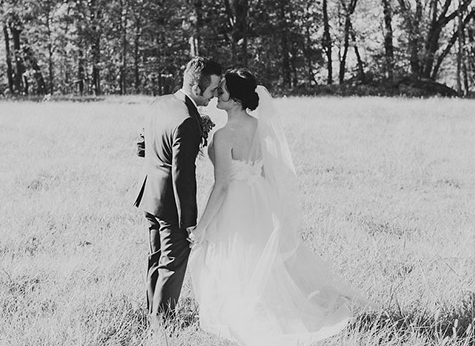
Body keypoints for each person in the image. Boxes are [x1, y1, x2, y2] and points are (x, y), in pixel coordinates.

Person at [189, 68, 369, 346]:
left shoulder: (224, 135)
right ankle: (265, 304)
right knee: (258, 256)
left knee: (235, 254)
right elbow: (265, 171)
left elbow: (222, 184)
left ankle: (245, 312)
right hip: (258, 198)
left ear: (235, 100)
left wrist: (202, 227)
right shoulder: (260, 127)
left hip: (235, 201)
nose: (215, 97)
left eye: (221, 91)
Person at [134, 56, 222, 328]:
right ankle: (162, 326)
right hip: (171, 203)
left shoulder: (159, 103)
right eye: (212, 90)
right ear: (196, 88)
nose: (215, 96)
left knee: (156, 258)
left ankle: (153, 314)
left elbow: (141, 145)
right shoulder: (186, 120)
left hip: (149, 195)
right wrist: (190, 222)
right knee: (173, 261)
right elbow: (183, 176)